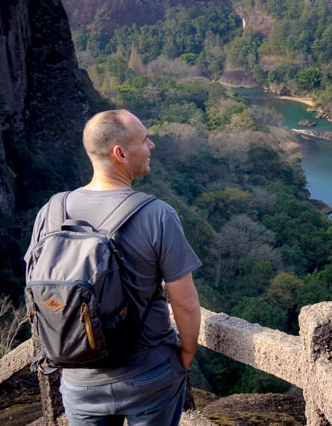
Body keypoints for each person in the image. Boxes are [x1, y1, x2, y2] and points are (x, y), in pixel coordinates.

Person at [25, 109, 202, 426]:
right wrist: (187, 353)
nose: (152, 146)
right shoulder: (157, 214)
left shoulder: (50, 211)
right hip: (149, 373)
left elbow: (36, 288)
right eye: (144, 140)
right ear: (120, 153)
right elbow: (185, 303)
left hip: (79, 378)